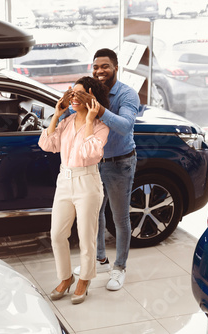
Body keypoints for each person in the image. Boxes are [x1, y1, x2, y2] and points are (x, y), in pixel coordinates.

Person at [71, 48, 140, 291]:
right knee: (94, 214)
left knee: (120, 218)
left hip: (119, 163)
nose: (99, 71)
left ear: (115, 67)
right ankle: (100, 260)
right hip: (93, 163)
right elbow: (72, 113)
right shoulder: (89, 89)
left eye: (105, 67)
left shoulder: (127, 95)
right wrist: (75, 101)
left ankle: (120, 268)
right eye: (96, 67)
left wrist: (99, 109)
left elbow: (124, 126)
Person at [39, 76, 110, 304]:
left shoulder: (101, 127)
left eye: (80, 94)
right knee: (57, 235)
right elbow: (47, 145)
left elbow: (92, 154)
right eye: (72, 94)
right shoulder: (66, 122)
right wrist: (57, 115)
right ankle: (66, 277)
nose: (74, 98)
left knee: (86, 236)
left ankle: (85, 279)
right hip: (65, 181)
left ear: (92, 99)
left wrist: (90, 120)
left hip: (87, 183)